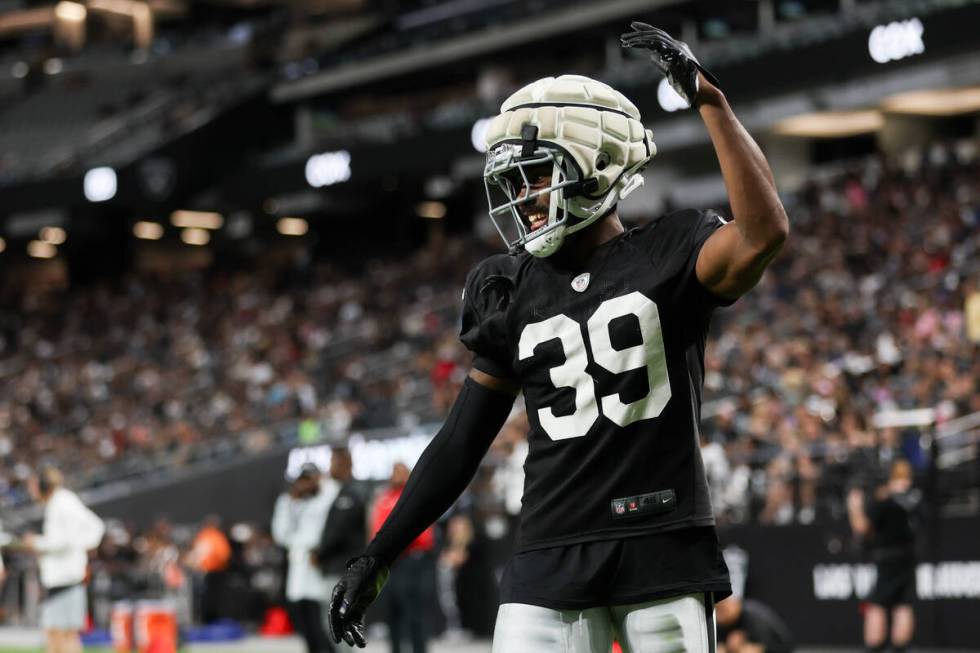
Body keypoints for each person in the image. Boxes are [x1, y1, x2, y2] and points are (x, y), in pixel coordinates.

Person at [329, 22, 788, 653]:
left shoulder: (670, 248)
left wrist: (710, 101)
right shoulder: (507, 285)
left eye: (538, 177)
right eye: (514, 184)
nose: (524, 199)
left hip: (661, 540)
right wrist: (379, 553)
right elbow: (462, 440)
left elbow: (763, 233)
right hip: (549, 548)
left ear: (598, 166)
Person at [22, 467, 106, 653]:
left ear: (43, 485)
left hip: (65, 579)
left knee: (61, 635)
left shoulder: (61, 503)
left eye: (33, 486)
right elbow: (95, 528)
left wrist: (35, 542)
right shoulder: (63, 501)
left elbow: (61, 541)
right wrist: (81, 550)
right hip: (66, 578)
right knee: (58, 635)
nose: (30, 491)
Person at [847, 459, 919, 653]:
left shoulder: (885, 502)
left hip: (887, 559)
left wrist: (854, 507)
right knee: (903, 603)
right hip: (908, 556)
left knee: (877, 604)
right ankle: (899, 648)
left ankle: (875, 646)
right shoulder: (913, 497)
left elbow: (862, 528)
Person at [370, 463, 436, 653]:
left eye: (402, 471)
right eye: (395, 471)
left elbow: (423, 535)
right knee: (393, 614)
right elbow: (377, 530)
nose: (398, 476)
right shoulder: (384, 499)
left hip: (413, 562)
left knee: (415, 615)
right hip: (391, 564)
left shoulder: (416, 497)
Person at [272, 463, 335, 653]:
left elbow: (331, 494)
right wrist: (289, 504)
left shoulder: (324, 499)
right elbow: (280, 534)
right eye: (303, 480)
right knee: (303, 620)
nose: (305, 484)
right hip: (296, 563)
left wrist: (321, 482)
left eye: (310, 479)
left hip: (317, 561)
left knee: (321, 621)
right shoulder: (289, 502)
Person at [314, 447, 366, 653]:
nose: (330, 467)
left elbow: (338, 532)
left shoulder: (351, 493)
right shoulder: (337, 492)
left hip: (344, 570)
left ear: (345, 464)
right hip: (336, 569)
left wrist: (319, 553)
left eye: (334, 462)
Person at [715, 596, 794, 653]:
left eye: (722, 610)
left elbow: (762, 646)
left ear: (733, 603)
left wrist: (742, 645)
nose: (720, 616)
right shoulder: (723, 623)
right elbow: (720, 647)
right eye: (717, 611)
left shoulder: (752, 615)